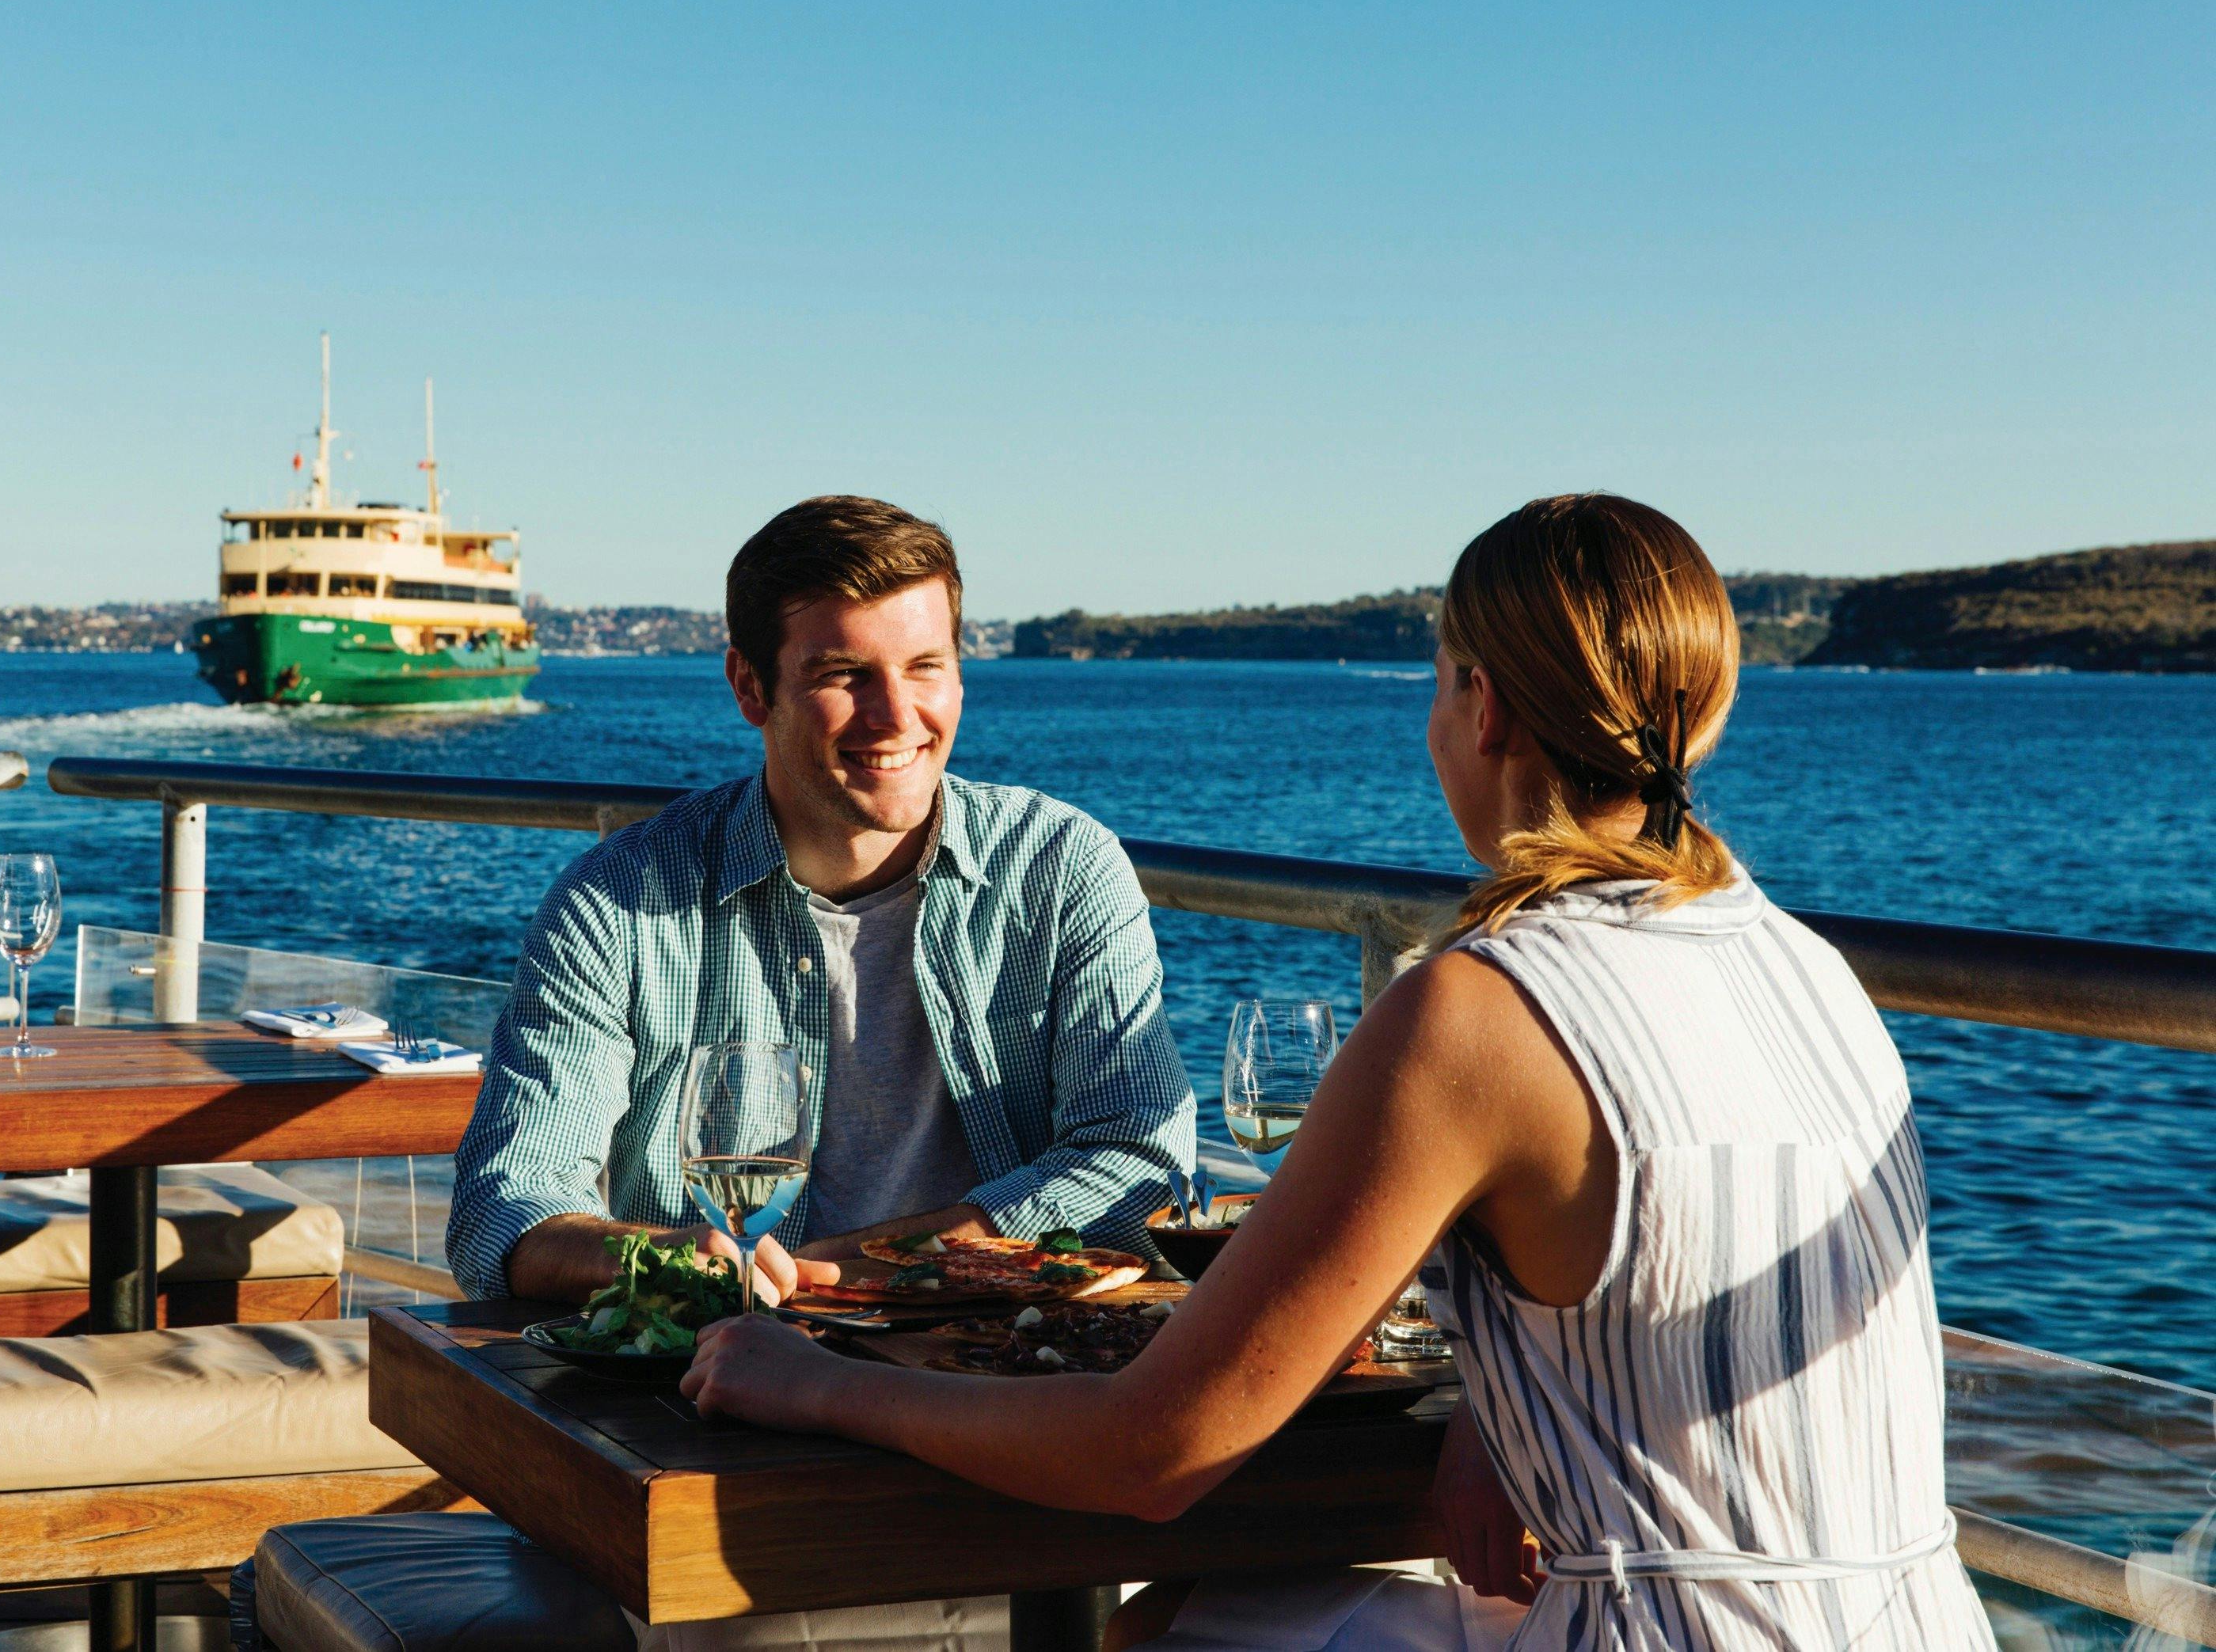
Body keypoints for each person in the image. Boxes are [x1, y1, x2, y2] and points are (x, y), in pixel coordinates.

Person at [682, 493, 1996, 1652]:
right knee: (1182, 1613)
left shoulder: (1480, 1007)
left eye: (1438, 679)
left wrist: (820, 1380)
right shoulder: (1801, 966)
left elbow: (1154, 1455)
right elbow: (1646, 1264)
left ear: (1479, 704)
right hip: (1915, 1614)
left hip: (1657, 1625)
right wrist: (1496, 1407)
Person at [447, 493, 1198, 1314]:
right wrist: (660, 1256)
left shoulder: (1059, 867)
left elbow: (1138, 1161)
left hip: (996, 1366)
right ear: (749, 686)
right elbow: (504, 1210)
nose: (895, 716)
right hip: (714, 1378)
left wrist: (851, 1268)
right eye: (843, 675)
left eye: (925, 667)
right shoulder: (618, 903)